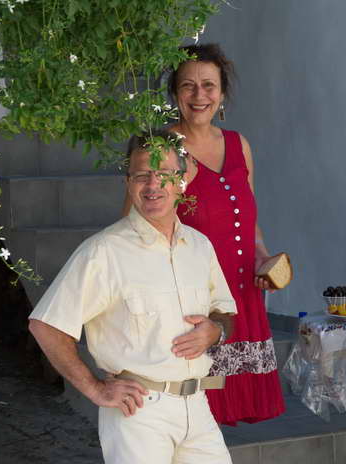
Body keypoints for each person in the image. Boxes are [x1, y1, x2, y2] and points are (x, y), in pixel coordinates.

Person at [30, 131, 237, 463]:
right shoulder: (104, 251)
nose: (153, 185)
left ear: (181, 181)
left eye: (164, 174)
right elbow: (46, 325)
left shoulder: (200, 247)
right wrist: (95, 389)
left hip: (198, 407)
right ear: (128, 183)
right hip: (139, 411)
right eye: (142, 175)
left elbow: (225, 312)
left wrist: (217, 330)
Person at [122, 43, 285, 426]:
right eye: (188, 86)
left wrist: (262, 256)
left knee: (230, 414)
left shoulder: (239, 144)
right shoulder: (161, 148)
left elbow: (248, 218)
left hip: (241, 290)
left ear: (222, 92)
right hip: (192, 296)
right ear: (175, 93)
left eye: (209, 85)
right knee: (194, 408)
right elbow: (133, 223)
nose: (199, 95)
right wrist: (181, 184)